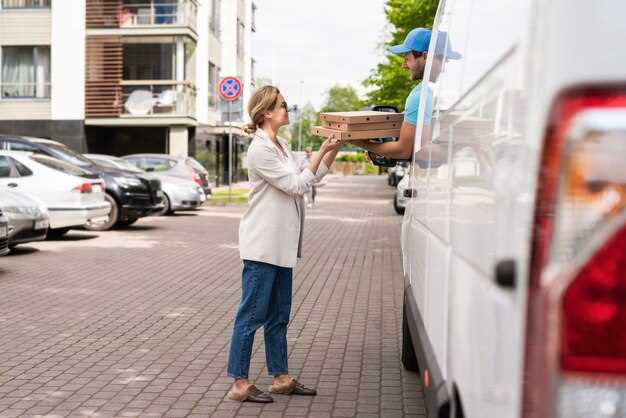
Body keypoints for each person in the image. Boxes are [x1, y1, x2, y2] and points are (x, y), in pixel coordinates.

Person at [227, 86, 343, 403]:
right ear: (266, 112)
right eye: (282, 105)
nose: (287, 109)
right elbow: (295, 185)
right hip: (263, 246)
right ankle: (239, 383)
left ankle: (280, 378)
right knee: (250, 316)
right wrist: (321, 149)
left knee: (279, 316)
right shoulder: (260, 150)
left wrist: (333, 148)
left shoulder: (282, 146)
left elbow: (312, 177)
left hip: (282, 247)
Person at [353, 28, 461, 162]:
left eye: (407, 58)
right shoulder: (454, 88)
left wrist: (362, 143)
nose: (404, 65)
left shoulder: (421, 95)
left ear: (426, 56)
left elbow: (404, 151)